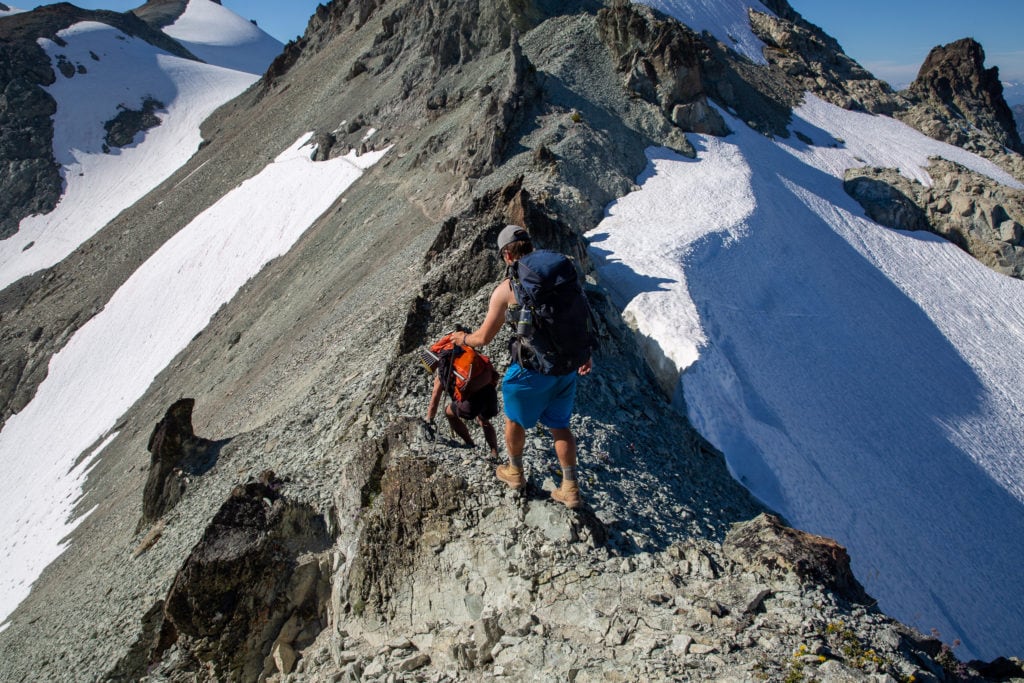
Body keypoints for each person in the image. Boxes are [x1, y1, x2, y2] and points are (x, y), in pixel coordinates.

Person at [453, 225, 593, 509]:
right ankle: (570, 488)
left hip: (531, 370)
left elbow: (483, 338)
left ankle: (514, 471)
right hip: (566, 367)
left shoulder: (507, 289)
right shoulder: (559, 273)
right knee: (560, 426)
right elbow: (580, 313)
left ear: (506, 255)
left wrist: (462, 338)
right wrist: (584, 353)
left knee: (514, 420)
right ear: (530, 246)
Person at [425, 333, 500, 458]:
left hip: (472, 402)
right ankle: (494, 452)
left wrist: (429, 418)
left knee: (448, 413)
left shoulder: (444, 371)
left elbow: (435, 397)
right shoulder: (467, 354)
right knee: (483, 420)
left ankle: (470, 444)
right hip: (489, 391)